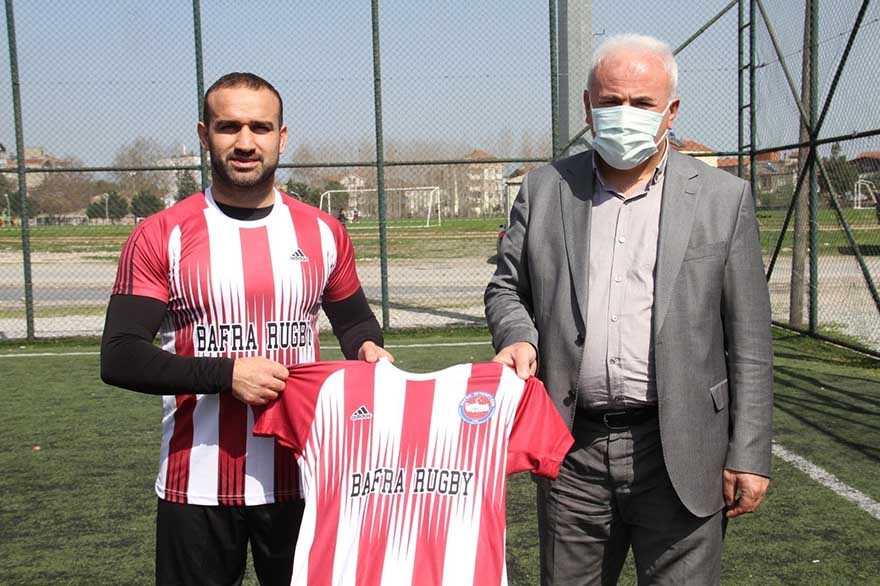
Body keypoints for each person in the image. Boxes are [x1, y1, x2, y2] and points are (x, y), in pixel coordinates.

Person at [484, 34, 773, 585]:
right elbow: (506, 287)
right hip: (572, 449)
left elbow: (750, 340)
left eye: (642, 103)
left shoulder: (723, 198)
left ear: (671, 111)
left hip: (681, 448)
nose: (625, 114)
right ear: (588, 107)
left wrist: (751, 452)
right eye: (611, 101)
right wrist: (518, 334)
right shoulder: (544, 189)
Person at [100, 72, 392, 586]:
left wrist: (368, 348)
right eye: (228, 126)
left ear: (281, 137)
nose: (244, 142)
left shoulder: (323, 231)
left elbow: (354, 322)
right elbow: (120, 355)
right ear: (203, 134)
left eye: (260, 127)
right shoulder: (161, 234)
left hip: (306, 477)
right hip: (197, 485)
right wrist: (226, 374)